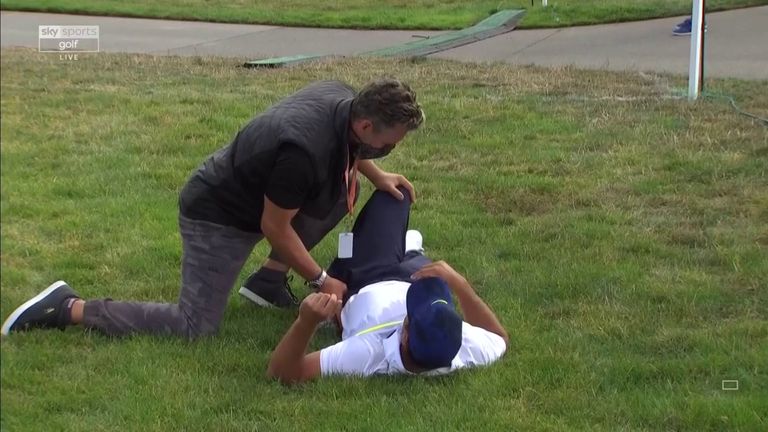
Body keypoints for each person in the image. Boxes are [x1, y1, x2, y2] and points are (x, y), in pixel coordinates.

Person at [1, 79, 424, 339]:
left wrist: (375, 175)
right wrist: (321, 278)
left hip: (262, 190)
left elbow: (346, 148)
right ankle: (67, 307)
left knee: (335, 192)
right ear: (366, 126)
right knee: (194, 326)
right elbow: (275, 227)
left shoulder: (346, 100)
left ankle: (267, 284)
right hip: (216, 215)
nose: (390, 151)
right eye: (389, 144)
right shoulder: (304, 153)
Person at [267, 187, 508, 383]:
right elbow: (498, 338)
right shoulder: (463, 347)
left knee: (393, 196)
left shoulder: (369, 353)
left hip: (367, 276)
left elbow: (284, 373)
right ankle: (410, 250)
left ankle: (400, 249)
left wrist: (306, 322)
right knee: (399, 200)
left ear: (405, 335)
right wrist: (461, 285)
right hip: (414, 275)